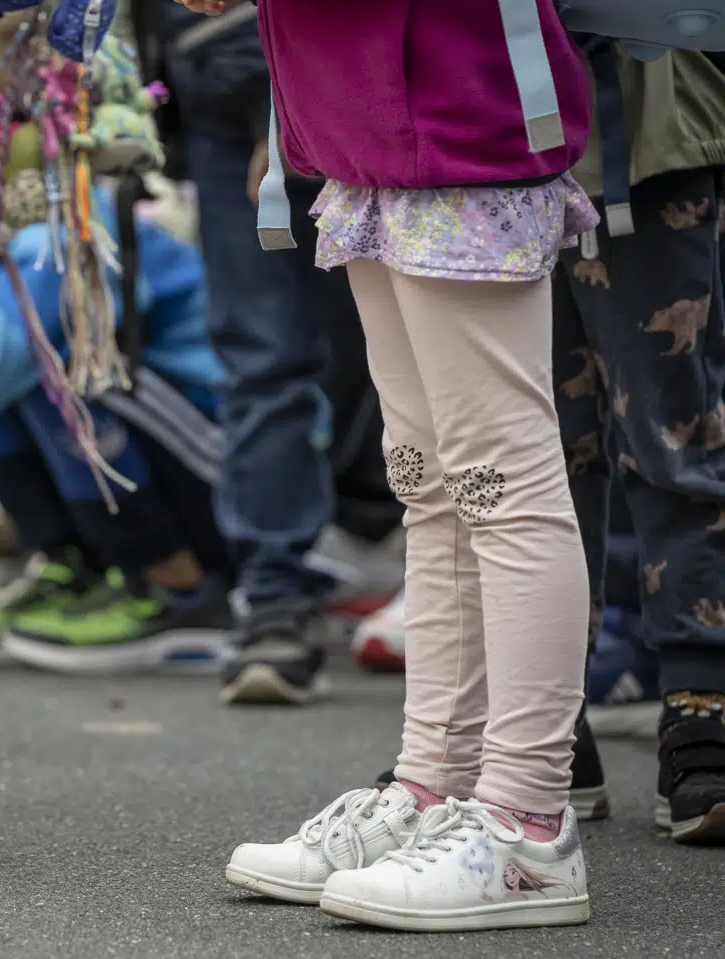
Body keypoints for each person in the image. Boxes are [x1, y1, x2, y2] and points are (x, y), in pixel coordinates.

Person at [180, 0, 595, 931]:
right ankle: (432, 787)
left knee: (501, 486)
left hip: (458, 115)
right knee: (432, 486)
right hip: (364, 121)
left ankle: (528, 823)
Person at [140, 0, 403, 704]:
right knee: (262, 357)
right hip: (223, 82)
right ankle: (273, 593)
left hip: (351, 69)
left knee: (404, 350)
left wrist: (286, 100)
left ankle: (423, 579)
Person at [0, 180, 234, 673]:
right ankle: (78, 567)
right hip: (180, 451)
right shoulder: (10, 216)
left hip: (229, 474)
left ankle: (178, 587)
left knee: (58, 374)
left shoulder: (74, 212)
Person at [554, 42, 725, 843]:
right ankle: (542, 720)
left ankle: (699, 697)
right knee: (523, 457)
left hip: (646, 115)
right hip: (474, 145)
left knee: (674, 434)